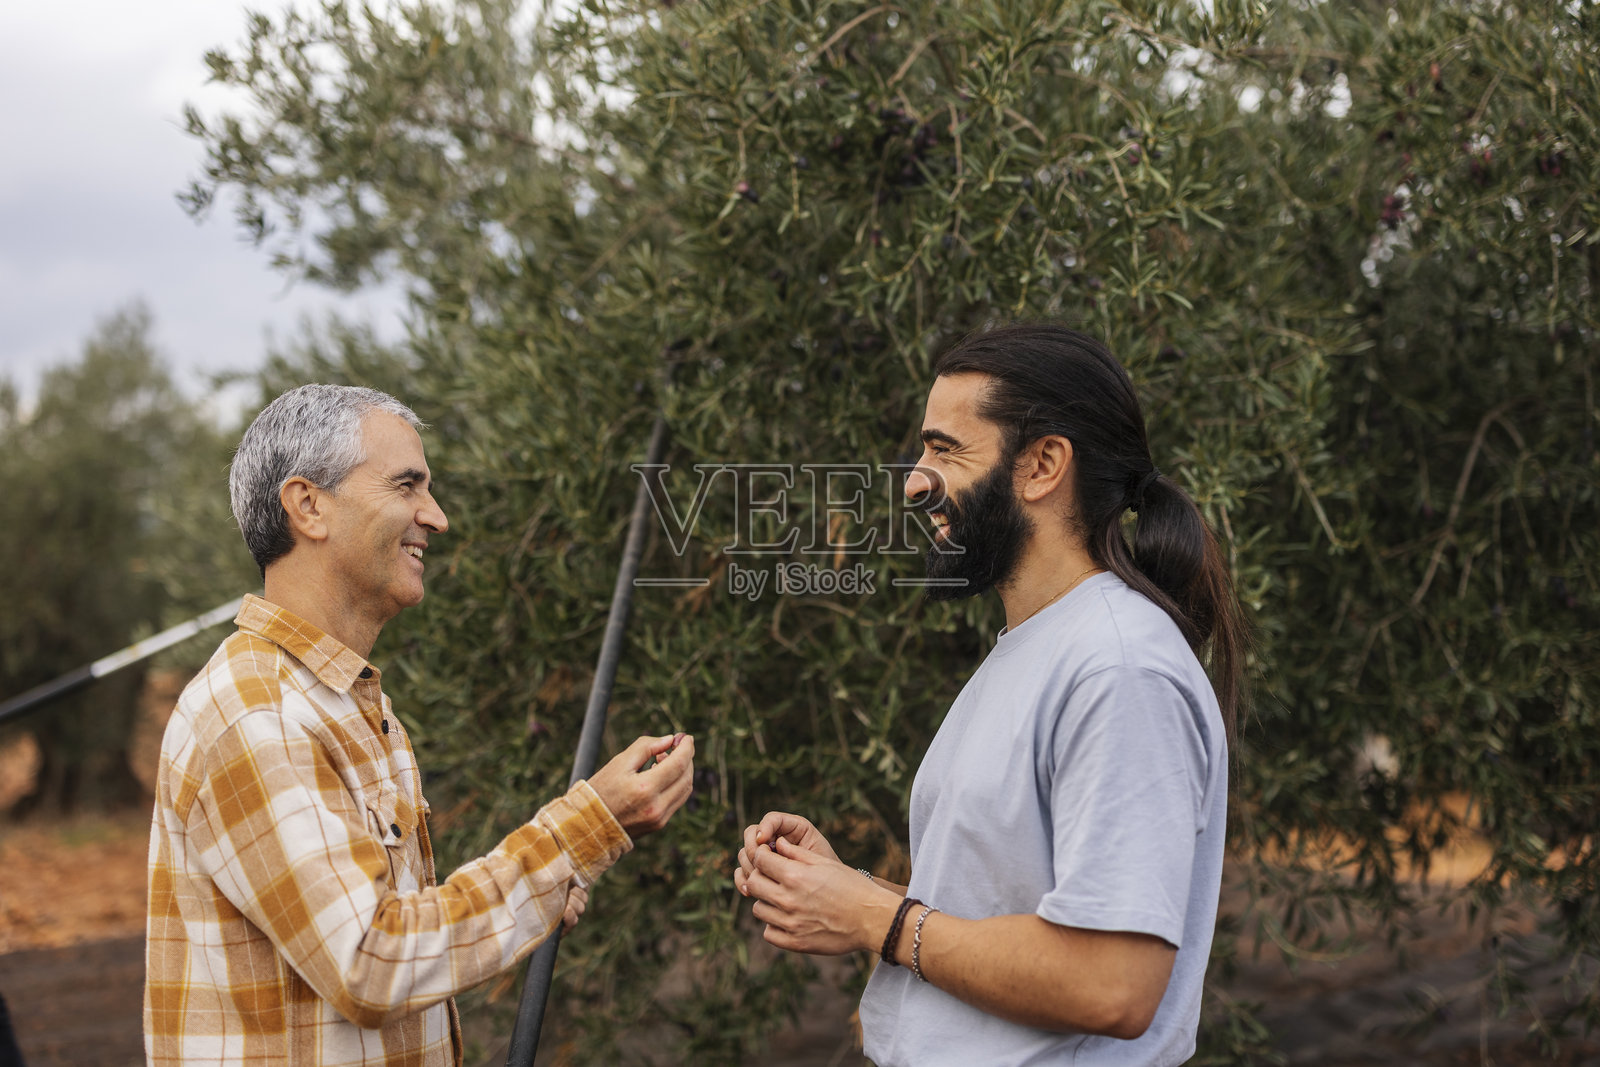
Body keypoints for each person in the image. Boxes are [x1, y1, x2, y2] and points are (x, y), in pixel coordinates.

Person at [734, 324, 1246, 1065]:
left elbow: (1113, 983)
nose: (914, 480)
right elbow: (1003, 905)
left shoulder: (1120, 667)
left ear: (1042, 465)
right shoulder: (1037, 646)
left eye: (946, 450)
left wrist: (875, 915)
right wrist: (844, 890)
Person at [145, 384, 696, 1065]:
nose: (435, 517)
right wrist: (580, 833)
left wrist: (545, 886)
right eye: (407, 485)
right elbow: (370, 960)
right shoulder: (261, 713)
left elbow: (391, 930)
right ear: (307, 505)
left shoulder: (341, 703)